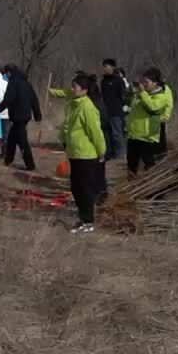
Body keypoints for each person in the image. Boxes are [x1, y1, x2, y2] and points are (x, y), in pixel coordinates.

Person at [56, 73, 106, 234]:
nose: (72, 89)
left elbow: (95, 132)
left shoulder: (87, 106)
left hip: (87, 155)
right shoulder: (73, 103)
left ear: (84, 89)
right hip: (74, 153)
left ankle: (88, 221)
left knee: (85, 189)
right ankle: (82, 218)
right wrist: (63, 139)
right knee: (75, 188)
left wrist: (101, 151)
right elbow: (67, 125)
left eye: (75, 86)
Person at [0, 64, 43, 171]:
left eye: (6, 73)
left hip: (18, 116)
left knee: (22, 141)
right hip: (25, 116)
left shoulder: (13, 83)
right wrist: (37, 115)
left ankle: (30, 165)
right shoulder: (26, 83)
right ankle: (8, 161)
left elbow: (8, 100)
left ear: (8, 72)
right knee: (12, 138)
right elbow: (34, 99)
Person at [126, 67, 172, 176]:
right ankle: (131, 185)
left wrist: (142, 93)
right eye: (143, 82)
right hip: (134, 135)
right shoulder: (142, 94)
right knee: (131, 164)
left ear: (155, 83)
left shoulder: (162, 95)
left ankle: (152, 187)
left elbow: (153, 107)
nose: (144, 84)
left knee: (149, 165)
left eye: (146, 82)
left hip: (147, 137)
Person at [100, 59, 127, 161]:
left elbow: (123, 95)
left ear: (112, 67)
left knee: (117, 134)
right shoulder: (103, 81)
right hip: (106, 111)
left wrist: (122, 107)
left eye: (106, 66)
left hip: (116, 111)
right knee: (108, 134)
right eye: (103, 66)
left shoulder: (118, 80)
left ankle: (120, 155)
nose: (104, 68)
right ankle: (110, 154)